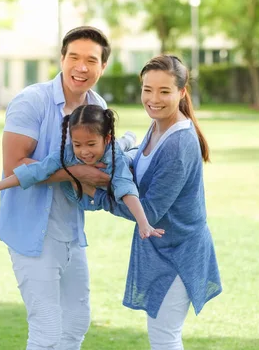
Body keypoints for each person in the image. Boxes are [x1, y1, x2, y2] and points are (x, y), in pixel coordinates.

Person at [80, 55, 222, 349]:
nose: (153, 99)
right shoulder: (158, 126)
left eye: (164, 91)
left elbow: (151, 211)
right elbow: (138, 162)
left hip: (179, 253)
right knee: (162, 334)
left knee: (164, 336)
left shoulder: (178, 143)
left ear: (182, 93)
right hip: (161, 249)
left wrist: (94, 192)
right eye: (147, 89)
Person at [0, 26, 113, 350]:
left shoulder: (98, 107)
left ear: (103, 66)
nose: (81, 67)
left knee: (76, 322)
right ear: (62, 58)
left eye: (91, 60)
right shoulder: (31, 101)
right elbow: (14, 165)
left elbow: (103, 168)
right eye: (73, 57)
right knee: (46, 329)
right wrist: (75, 172)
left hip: (70, 232)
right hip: (31, 232)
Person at [0, 104, 164, 239]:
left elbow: (127, 190)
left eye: (91, 144)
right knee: (120, 148)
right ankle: (127, 139)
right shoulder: (65, 155)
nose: (84, 151)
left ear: (106, 139)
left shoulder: (115, 158)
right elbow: (34, 172)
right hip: (96, 176)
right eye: (78, 144)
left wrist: (143, 223)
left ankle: (128, 140)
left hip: (116, 157)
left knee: (126, 153)